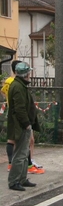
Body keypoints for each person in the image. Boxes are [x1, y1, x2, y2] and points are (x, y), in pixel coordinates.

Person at [1, 60, 45, 174]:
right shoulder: (15, 83)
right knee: (26, 141)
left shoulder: (8, 82)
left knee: (13, 140)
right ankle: (28, 165)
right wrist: (26, 123)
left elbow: (3, 92)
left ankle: (13, 164)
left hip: (12, 112)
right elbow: (20, 105)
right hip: (19, 116)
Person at [7, 62, 41, 191]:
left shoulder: (19, 85)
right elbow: (20, 108)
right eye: (28, 72)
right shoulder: (18, 87)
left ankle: (21, 179)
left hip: (22, 124)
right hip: (21, 125)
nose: (30, 75)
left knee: (23, 153)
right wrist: (26, 124)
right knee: (20, 155)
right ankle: (14, 181)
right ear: (25, 74)